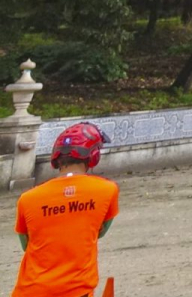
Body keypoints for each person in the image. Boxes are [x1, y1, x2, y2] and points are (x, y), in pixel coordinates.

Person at [14, 121, 119, 297]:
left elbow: (27, 244)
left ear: (56, 158)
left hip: (31, 290)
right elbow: (100, 231)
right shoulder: (107, 190)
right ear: (93, 156)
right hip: (77, 291)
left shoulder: (27, 199)